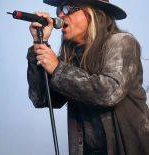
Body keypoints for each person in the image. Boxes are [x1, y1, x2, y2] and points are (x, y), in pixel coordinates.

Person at [27, 0, 149, 155]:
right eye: (59, 8)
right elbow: (42, 98)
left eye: (68, 7)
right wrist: (39, 43)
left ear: (94, 14)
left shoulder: (122, 42)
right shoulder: (69, 57)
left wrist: (58, 68)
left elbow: (108, 93)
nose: (60, 14)